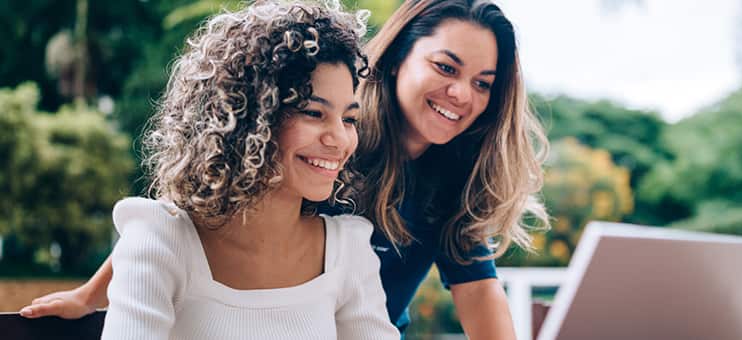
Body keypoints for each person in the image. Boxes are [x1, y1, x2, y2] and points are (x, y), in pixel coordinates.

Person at [22, 0, 550, 338]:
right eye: (445, 67)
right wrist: (91, 294)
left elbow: (480, 293)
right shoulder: (327, 148)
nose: (461, 93)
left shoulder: (451, 184)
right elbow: (180, 218)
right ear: (395, 61)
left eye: (483, 83)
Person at [62, 1, 399, 339]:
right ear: (248, 118)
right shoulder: (161, 240)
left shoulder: (347, 251)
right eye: (313, 113)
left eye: (349, 119)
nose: (340, 139)